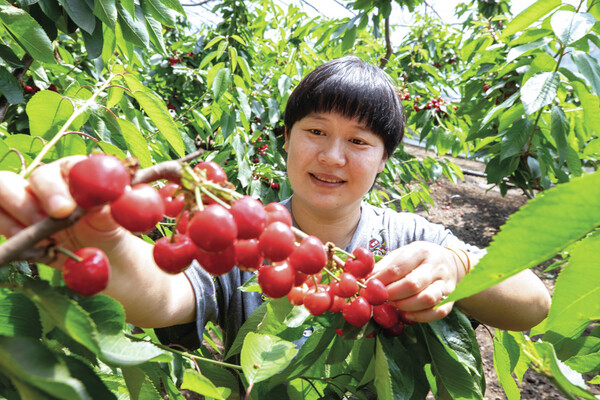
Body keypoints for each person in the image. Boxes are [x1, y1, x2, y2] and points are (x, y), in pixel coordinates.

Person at [0, 56, 551, 355]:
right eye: (316, 131)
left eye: (360, 142)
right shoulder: (241, 238)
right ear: (286, 139)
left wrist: (459, 264)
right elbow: (162, 295)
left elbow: (533, 305)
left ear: (384, 160)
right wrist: (103, 240)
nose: (332, 156)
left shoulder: (408, 241)